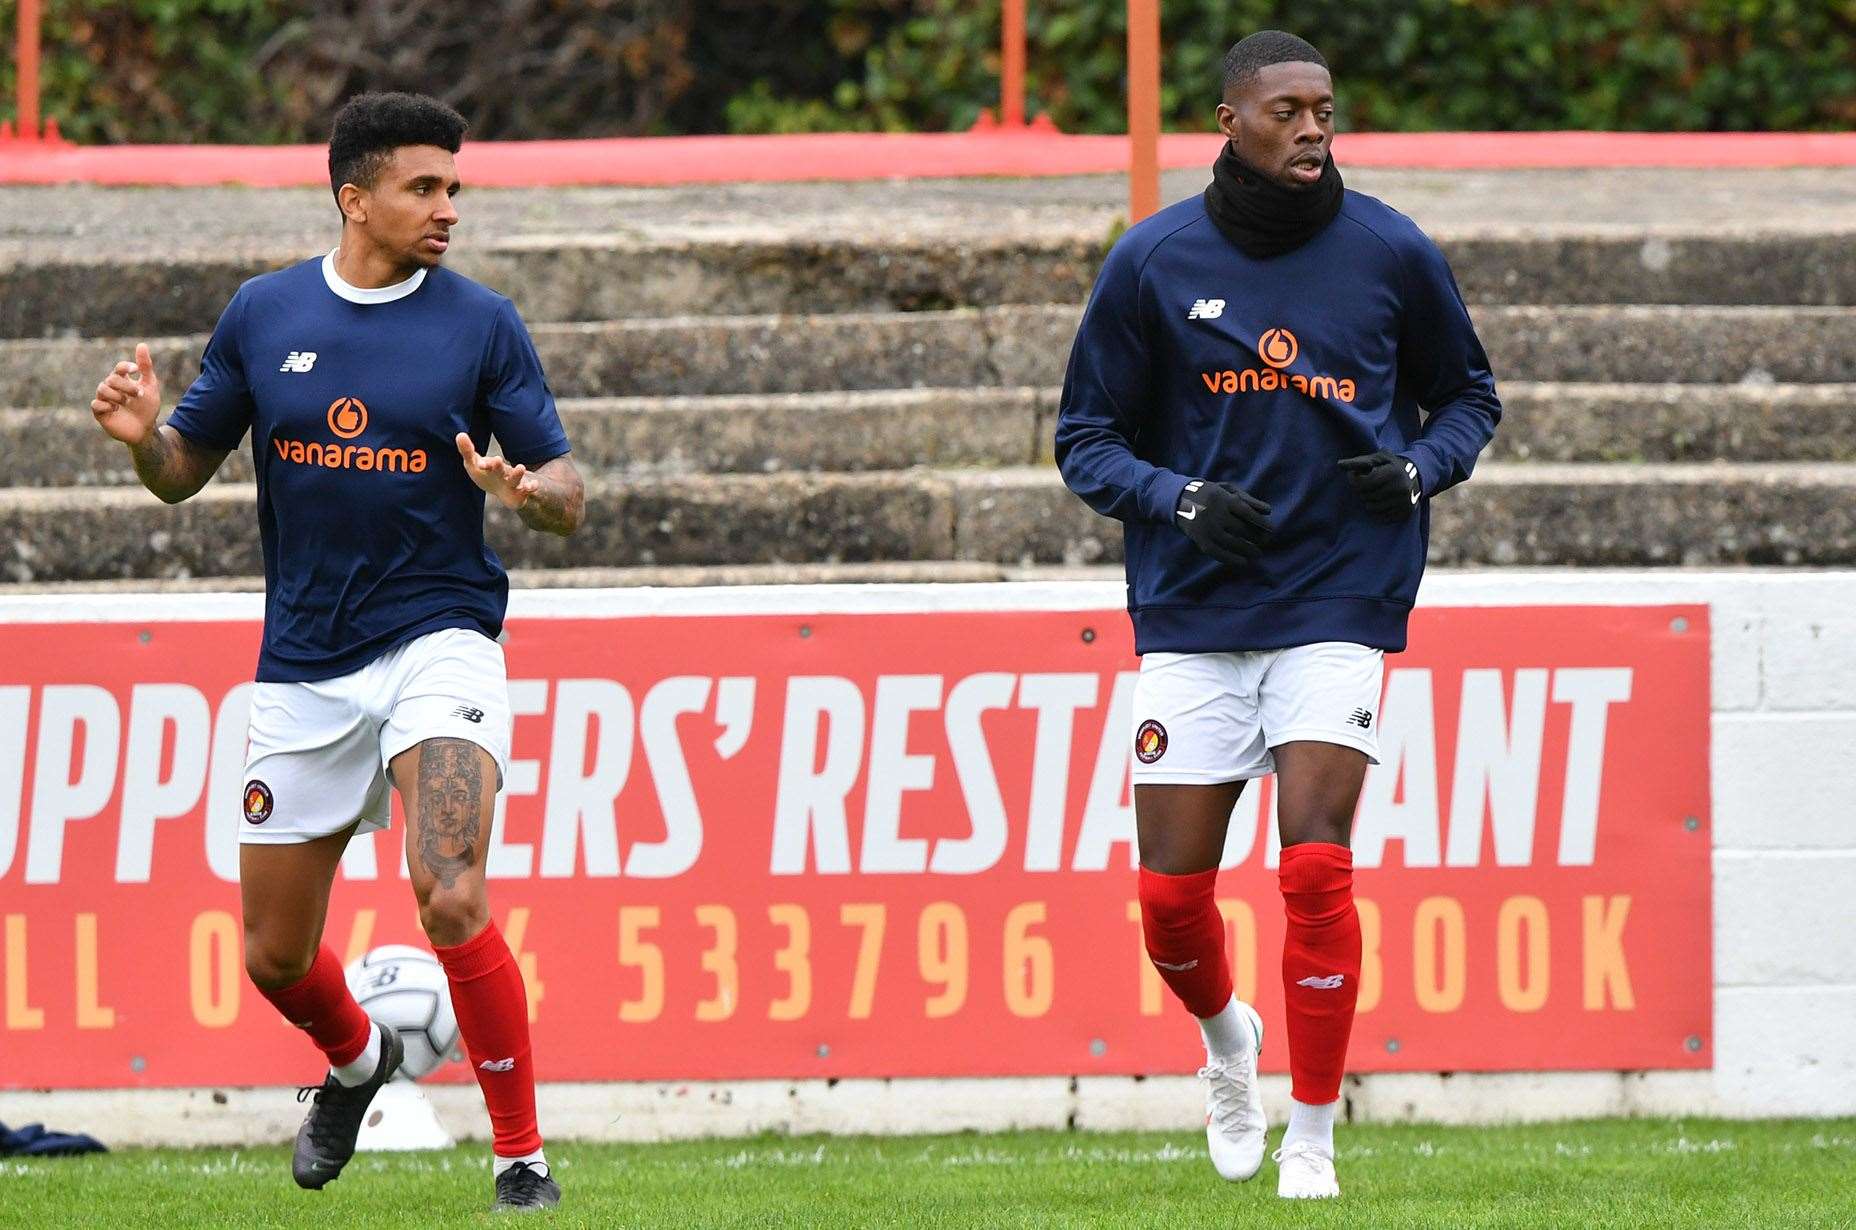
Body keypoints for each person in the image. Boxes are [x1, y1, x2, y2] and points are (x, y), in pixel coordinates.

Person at [87, 92, 584, 1213]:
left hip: (440, 640)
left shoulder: (481, 322)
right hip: (305, 661)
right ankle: (358, 1065)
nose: (449, 207)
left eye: (455, 186)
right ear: (353, 198)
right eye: (425, 186)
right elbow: (182, 468)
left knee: (448, 894)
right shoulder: (263, 315)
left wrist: (525, 493)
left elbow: (565, 490)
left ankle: (521, 1160)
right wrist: (140, 443)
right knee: (272, 954)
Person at [1055, 30, 1501, 1200]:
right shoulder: (1149, 261)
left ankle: (1312, 1135)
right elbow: (1084, 442)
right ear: (1228, 122)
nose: (1313, 129)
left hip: (1338, 596)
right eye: (1287, 111)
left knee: (1311, 867)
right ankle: (1226, 1045)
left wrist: (1419, 470)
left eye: (1326, 110)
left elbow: (1466, 397)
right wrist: (1178, 498)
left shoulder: (1390, 250)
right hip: (1194, 610)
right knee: (1168, 903)